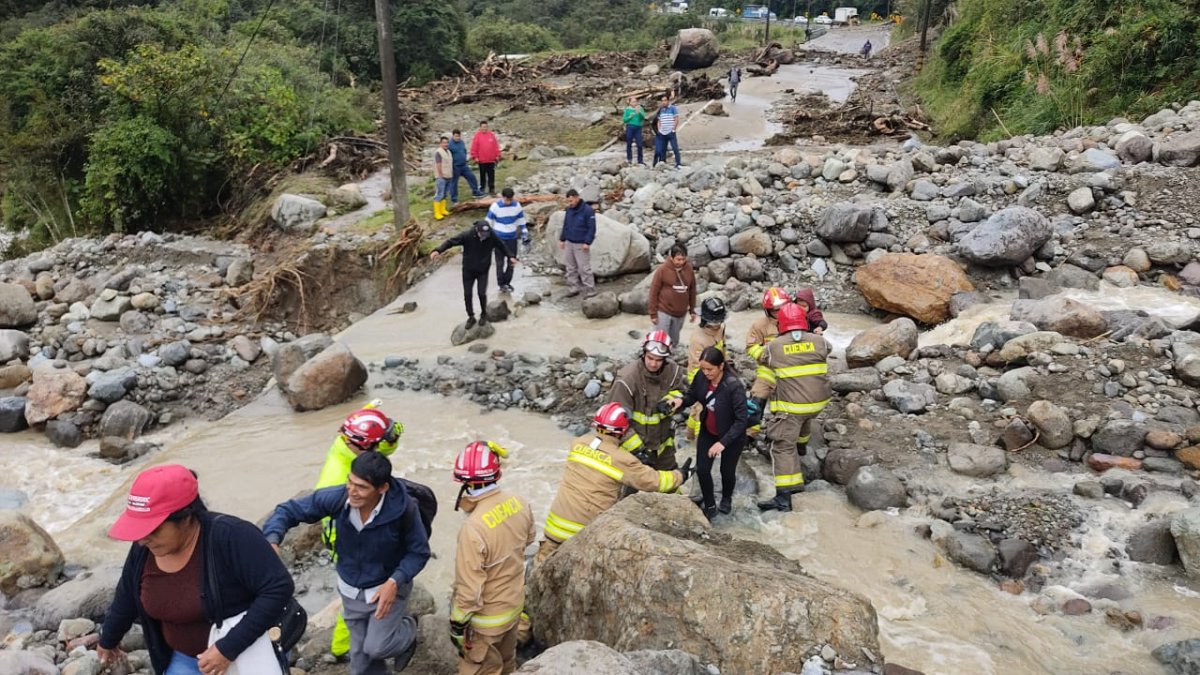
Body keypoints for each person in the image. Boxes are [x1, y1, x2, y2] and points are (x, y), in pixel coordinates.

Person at [98, 465, 293, 675]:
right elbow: (127, 595)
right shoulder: (143, 549)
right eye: (139, 529)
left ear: (186, 517)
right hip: (183, 659)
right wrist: (108, 639)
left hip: (246, 653)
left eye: (152, 529)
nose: (143, 539)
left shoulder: (232, 536)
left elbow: (278, 588)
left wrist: (228, 649)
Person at [263, 451, 430, 675]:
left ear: (382, 488)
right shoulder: (339, 499)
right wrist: (273, 539)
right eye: (350, 482)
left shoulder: (404, 510)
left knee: (377, 647)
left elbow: (418, 552)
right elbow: (288, 510)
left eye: (361, 487)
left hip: (386, 587)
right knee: (361, 661)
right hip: (351, 590)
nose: (352, 491)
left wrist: (395, 581)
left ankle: (409, 631)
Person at [533, 402, 690, 566]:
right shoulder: (622, 460)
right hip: (584, 533)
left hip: (553, 528)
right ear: (623, 430)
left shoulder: (577, 444)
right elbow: (654, 482)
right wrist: (681, 475)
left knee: (539, 573)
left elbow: (601, 451)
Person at [315, 402, 405, 660]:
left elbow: (385, 446)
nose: (380, 448)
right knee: (355, 595)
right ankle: (344, 647)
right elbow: (333, 522)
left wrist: (388, 427)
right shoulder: (336, 480)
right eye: (375, 444)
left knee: (356, 595)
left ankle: (345, 644)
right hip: (347, 542)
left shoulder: (348, 444)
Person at [450, 441, 534, 675]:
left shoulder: (473, 528)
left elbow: (470, 590)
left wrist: (457, 625)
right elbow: (528, 541)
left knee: (480, 669)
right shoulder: (520, 502)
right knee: (507, 663)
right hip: (514, 607)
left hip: (486, 623)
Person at [749, 304, 833, 512]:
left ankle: (784, 498)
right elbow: (828, 349)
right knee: (804, 421)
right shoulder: (820, 341)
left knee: (782, 446)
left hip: (793, 406)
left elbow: (762, 357)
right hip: (818, 403)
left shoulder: (775, 346)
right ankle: (802, 451)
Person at [668, 346, 748, 519]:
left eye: (710, 369)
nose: (706, 373)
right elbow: (692, 396)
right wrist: (680, 401)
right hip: (708, 431)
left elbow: (742, 420)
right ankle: (710, 505)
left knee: (727, 471)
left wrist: (723, 443)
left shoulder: (734, 386)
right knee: (703, 470)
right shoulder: (701, 377)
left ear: (720, 366)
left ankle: (726, 498)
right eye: (702, 369)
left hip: (731, 437)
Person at [609, 330, 688, 471]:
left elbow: (681, 393)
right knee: (629, 489)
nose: (653, 364)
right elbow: (614, 421)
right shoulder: (627, 380)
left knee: (671, 485)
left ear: (665, 359)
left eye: (658, 360)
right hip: (634, 449)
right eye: (650, 358)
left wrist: (670, 402)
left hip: (663, 446)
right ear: (643, 353)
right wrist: (637, 451)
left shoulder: (673, 372)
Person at [432, 220, 517, 329]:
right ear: (477, 230)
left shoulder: (491, 236)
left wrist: (510, 256)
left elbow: (502, 246)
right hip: (468, 270)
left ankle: (483, 314)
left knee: (481, 293)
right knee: (468, 294)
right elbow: (451, 242)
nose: (484, 236)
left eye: (486, 234)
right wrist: (438, 250)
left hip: (483, 270)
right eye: (482, 234)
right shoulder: (467, 235)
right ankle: (471, 316)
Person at [685, 297, 727, 439]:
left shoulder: (720, 330)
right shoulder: (698, 339)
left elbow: (722, 349)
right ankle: (699, 442)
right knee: (701, 409)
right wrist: (707, 383)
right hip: (700, 377)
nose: (716, 325)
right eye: (713, 322)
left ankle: (689, 435)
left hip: (715, 373)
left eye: (719, 321)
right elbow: (698, 366)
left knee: (696, 408)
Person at [648, 244, 697, 348]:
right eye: (678, 259)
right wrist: (653, 313)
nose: (681, 262)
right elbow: (653, 292)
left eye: (683, 259)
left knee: (674, 341)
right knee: (660, 340)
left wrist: (692, 310)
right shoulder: (662, 270)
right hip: (664, 310)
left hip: (680, 313)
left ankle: (671, 359)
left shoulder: (689, 269)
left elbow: (692, 290)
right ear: (671, 258)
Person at [486, 188, 529, 295]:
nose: (509, 202)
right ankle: (501, 284)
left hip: (512, 238)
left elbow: (521, 220)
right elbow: (488, 221)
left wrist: (524, 232)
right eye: (507, 200)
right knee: (500, 264)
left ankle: (507, 282)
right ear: (502, 197)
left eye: (510, 199)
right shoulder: (495, 207)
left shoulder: (516, 206)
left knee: (511, 262)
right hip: (499, 239)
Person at [559, 189, 596, 298]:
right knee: (570, 267)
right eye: (568, 201)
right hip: (570, 242)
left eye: (571, 200)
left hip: (581, 243)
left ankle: (591, 290)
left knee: (584, 268)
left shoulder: (588, 211)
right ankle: (573, 288)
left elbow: (592, 228)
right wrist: (562, 239)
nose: (570, 203)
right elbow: (566, 225)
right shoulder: (569, 210)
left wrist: (587, 242)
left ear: (577, 197)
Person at [448, 130, 484, 204]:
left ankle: (476, 192)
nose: (457, 138)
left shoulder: (461, 142)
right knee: (454, 182)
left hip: (464, 165)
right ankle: (454, 199)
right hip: (455, 166)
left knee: (471, 177)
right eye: (456, 136)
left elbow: (464, 150)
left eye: (458, 136)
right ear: (453, 136)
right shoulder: (450, 145)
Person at [469, 121, 502, 196]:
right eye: (483, 127)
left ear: (487, 127)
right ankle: (482, 188)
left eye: (486, 127)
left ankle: (491, 189)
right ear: (480, 127)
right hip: (482, 160)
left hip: (491, 160)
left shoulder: (491, 135)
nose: (484, 128)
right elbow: (474, 147)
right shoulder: (477, 136)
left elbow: (495, 146)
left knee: (491, 175)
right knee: (482, 175)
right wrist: (475, 157)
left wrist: (498, 155)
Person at [653, 94, 681, 168]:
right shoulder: (661, 110)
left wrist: (673, 129)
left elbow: (676, 119)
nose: (663, 102)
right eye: (662, 101)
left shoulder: (673, 108)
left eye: (665, 100)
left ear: (668, 101)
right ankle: (662, 163)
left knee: (675, 148)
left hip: (670, 132)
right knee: (662, 149)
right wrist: (659, 130)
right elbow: (659, 120)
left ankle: (678, 163)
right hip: (662, 132)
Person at [433, 136, 453, 221]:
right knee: (439, 194)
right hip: (441, 177)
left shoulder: (448, 151)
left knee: (445, 194)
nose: (446, 144)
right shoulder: (438, 152)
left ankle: (443, 210)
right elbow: (438, 164)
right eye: (444, 142)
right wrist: (440, 174)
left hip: (448, 175)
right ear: (440, 143)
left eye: (447, 142)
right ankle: (437, 213)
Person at [622, 96, 646, 165]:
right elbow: (624, 120)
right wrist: (630, 116)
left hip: (638, 128)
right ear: (629, 103)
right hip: (630, 127)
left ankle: (640, 160)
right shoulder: (627, 110)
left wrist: (640, 113)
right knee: (629, 143)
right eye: (633, 102)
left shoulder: (640, 108)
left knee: (640, 144)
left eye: (635, 101)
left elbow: (643, 117)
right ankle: (629, 159)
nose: (634, 103)